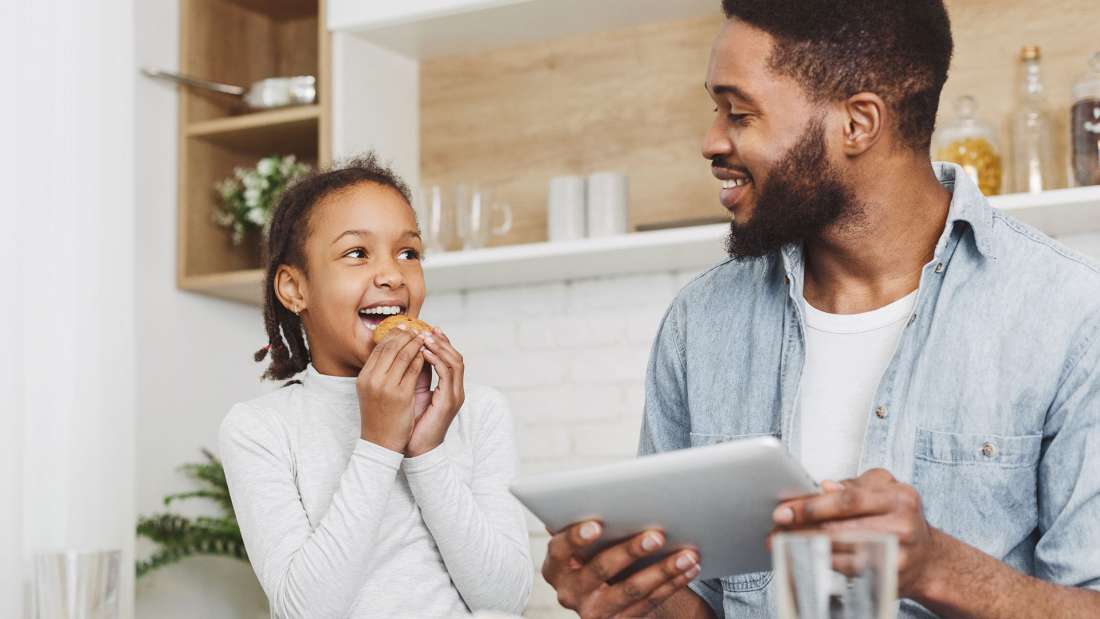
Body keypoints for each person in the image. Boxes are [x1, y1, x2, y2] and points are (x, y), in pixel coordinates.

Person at [541, 1, 1100, 617]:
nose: (712, 141)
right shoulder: (698, 324)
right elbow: (695, 601)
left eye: (740, 112)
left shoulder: (1070, 316)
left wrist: (937, 567)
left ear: (858, 124)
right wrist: (629, 589)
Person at [219, 154, 532, 617]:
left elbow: (506, 599)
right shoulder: (260, 429)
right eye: (357, 254)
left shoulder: (478, 410)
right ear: (294, 289)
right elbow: (304, 611)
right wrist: (380, 444)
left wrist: (425, 452)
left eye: (408, 253)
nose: (391, 274)